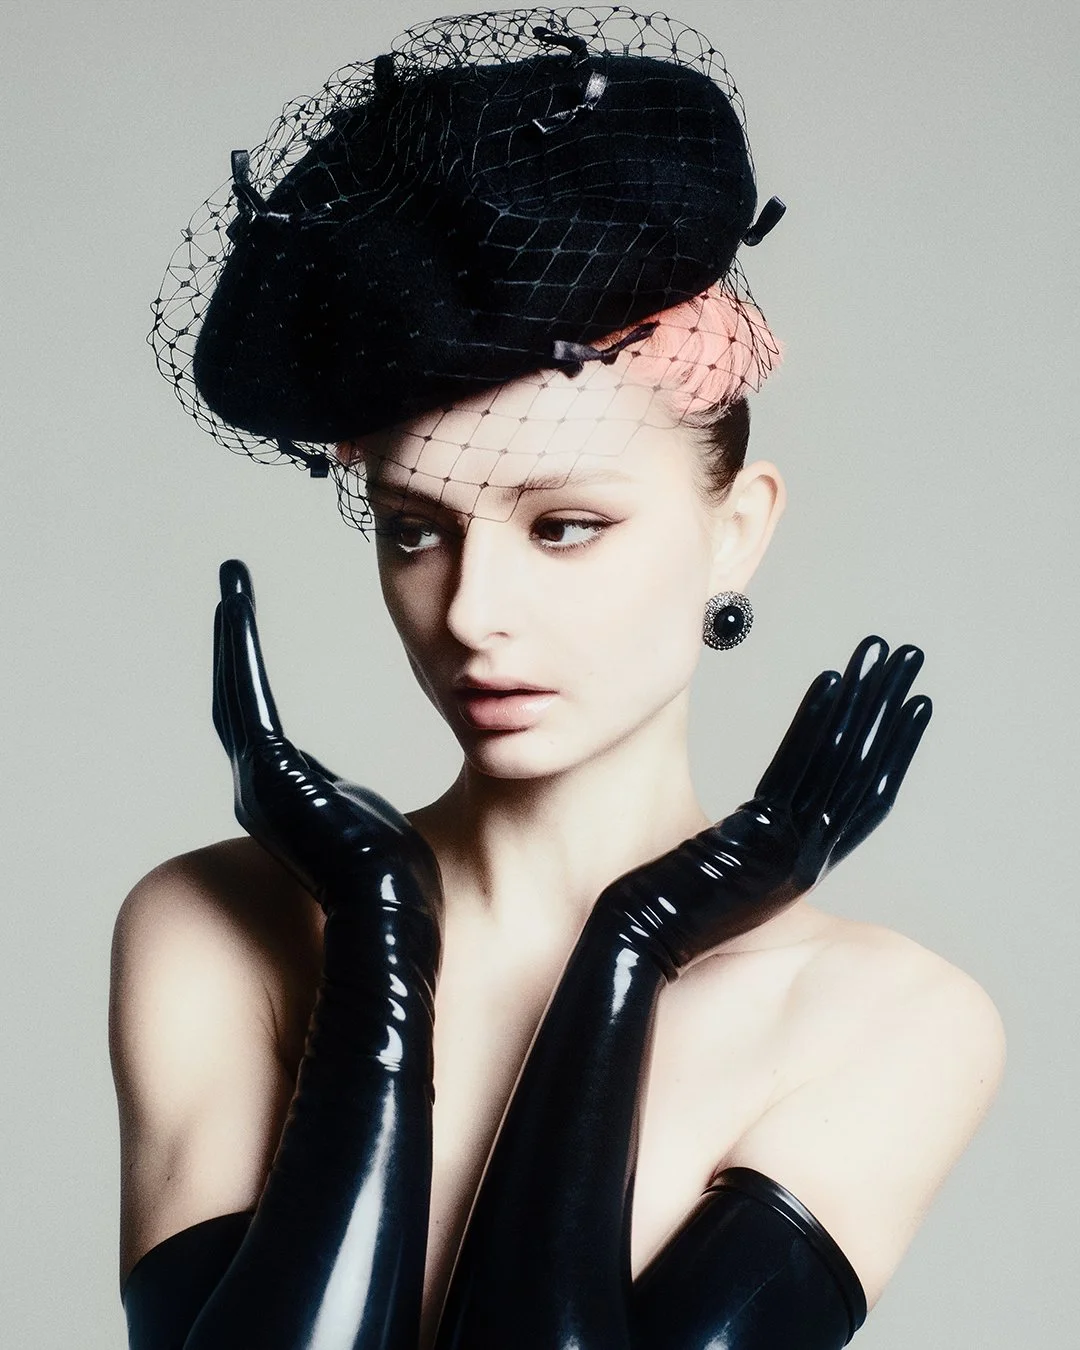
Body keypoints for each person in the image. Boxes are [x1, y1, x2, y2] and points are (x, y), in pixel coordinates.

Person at [110, 8, 1005, 1348]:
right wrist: (378, 927)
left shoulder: (888, 1020)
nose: (473, 612)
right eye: (415, 529)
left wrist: (627, 948)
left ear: (738, 524)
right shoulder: (211, 928)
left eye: (565, 526)